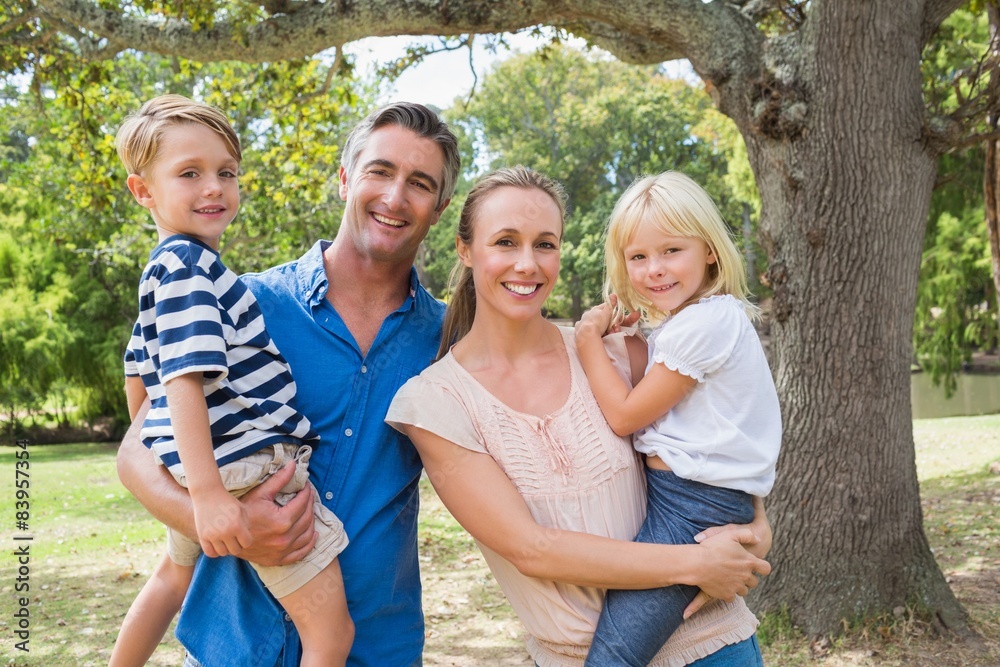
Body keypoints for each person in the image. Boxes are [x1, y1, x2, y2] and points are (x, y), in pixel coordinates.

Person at [115, 101, 460, 667]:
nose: (395, 197)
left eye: (420, 184)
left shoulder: (450, 342)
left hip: (378, 647)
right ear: (345, 179)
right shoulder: (245, 303)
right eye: (379, 171)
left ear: (440, 208)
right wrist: (225, 523)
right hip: (234, 647)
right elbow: (137, 450)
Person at [386, 166, 773, 667]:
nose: (527, 263)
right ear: (465, 249)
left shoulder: (617, 352)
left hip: (712, 647)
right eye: (505, 242)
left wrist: (756, 522)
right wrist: (699, 563)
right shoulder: (435, 403)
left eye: (545, 244)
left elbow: (713, 440)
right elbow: (531, 549)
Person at [109, 94, 353, 667]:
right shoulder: (190, 268)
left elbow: (139, 384)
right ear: (143, 190)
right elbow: (183, 378)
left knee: (171, 578)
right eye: (189, 174)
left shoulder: (162, 276)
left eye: (226, 172)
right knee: (330, 635)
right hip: (245, 468)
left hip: (208, 467)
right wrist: (209, 494)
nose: (213, 187)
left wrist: (179, 464)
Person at [574, 171, 782, 666]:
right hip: (688, 499)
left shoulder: (706, 323)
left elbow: (625, 416)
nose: (655, 270)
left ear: (709, 249)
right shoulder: (696, 320)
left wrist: (587, 341)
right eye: (638, 257)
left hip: (694, 509)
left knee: (613, 656)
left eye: (671, 250)